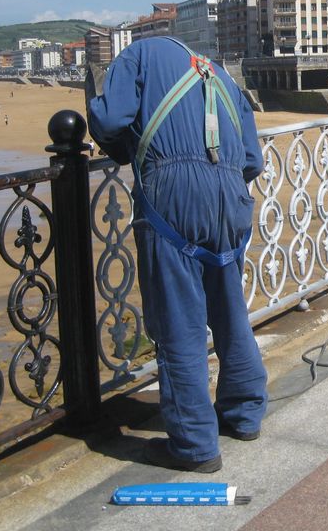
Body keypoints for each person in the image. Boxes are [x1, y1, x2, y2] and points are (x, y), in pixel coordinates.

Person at [86, 37, 267, 473]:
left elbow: (110, 118)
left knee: (178, 324)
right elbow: (251, 160)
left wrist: (128, 147)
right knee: (229, 312)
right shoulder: (218, 70)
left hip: (175, 194)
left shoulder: (137, 55)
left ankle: (194, 445)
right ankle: (244, 415)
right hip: (231, 196)